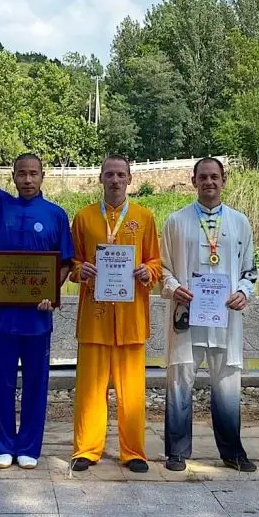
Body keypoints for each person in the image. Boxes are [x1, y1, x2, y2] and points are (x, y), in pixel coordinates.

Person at [0, 144, 73, 470]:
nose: (27, 179)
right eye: (21, 173)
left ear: (42, 176)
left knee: (37, 383)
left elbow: (66, 263)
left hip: (37, 318)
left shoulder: (55, 214)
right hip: (1, 316)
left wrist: (52, 291)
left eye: (33, 173)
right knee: (0, 381)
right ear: (13, 176)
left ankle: (28, 447)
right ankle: (2, 445)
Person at [160, 157, 257, 473]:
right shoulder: (176, 221)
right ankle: (176, 451)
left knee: (228, 385)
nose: (209, 182)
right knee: (179, 384)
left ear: (223, 180)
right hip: (187, 317)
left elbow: (250, 270)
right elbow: (162, 268)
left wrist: (244, 292)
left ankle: (232, 452)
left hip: (226, 319)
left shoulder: (240, 222)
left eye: (215, 177)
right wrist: (174, 288)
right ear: (193, 181)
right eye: (203, 177)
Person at [69, 155, 160, 474]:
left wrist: (147, 273)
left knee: (132, 392)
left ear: (130, 179)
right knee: (90, 390)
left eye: (121, 174)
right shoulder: (83, 218)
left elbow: (155, 262)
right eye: (109, 174)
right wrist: (82, 271)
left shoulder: (144, 217)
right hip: (95, 318)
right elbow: (73, 264)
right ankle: (86, 449)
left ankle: (133, 451)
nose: (115, 180)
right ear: (100, 179)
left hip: (131, 319)